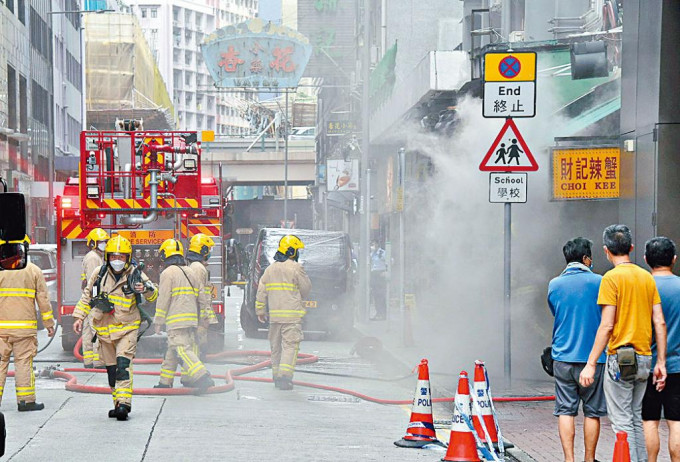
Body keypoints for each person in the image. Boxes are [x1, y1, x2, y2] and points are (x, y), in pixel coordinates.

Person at [580, 224, 668, 461]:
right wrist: (661, 361)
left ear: (606, 250)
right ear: (630, 247)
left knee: (621, 421)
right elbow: (659, 322)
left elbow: (607, 325)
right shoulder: (646, 278)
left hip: (620, 358)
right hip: (644, 358)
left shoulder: (610, 279)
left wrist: (590, 363)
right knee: (636, 417)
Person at [73, 235, 158, 421]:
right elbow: (88, 295)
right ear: (107, 257)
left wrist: (144, 289)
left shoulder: (135, 274)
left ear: (128, 258)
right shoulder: (99, 274)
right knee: (112, 372)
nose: (117, 261)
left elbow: (153, 294)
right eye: (113, 257)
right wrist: (79, 316)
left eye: (121, 257)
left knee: (122, 366)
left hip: (127, 328)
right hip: (104, 331)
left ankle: (124, 404)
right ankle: (117, 403)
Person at [548, 237, 606, 462]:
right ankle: (589, 459)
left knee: (565, 410)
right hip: (594, 358)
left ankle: (568, 459)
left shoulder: (554, 284)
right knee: (592, 412)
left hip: (562, 356)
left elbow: (556, 312)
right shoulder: (600, 281)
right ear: (585, 258)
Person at [0, 236, 55, 411]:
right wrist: (49, 324)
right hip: (24, 330)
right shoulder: (33, 270)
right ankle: (26, 401)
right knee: (23, 363)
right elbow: (43, 300)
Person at [153, 239, 214, 391]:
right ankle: (165, 382)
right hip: (191, 318)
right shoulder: (190, 271)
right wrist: (203, 317)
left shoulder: (167, 273)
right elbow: (201, 295)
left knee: (180, 348)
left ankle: (201, 375)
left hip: (176, 319)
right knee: (173, 349)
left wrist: (158, 320)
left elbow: (163, 298)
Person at [256, 235, 311, 390]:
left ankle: (276, 375)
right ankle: (284, 377)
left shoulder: (269, 270)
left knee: (276, 347)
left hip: (274, 317)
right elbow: (306, 289)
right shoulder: (296, 268)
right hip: (292, 317)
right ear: (292, 251)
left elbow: (261, 292)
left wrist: (260, 310)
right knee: (290, 346)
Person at [642, 237, 680, 461]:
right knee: (676, 421)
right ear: (674, 259)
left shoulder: (643, 287)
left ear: (646, 260)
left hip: (647, 365)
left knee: (649, 419)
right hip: (677, 366)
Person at [80, 228, 109, 369]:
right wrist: (98, 300)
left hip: (90, 298)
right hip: (94, 299)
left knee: (87, 330)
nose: (104, 244)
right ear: (93, 243)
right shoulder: (93, 258)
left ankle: (89, 360)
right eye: (101, 242)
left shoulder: (96, 256)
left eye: (105, 242)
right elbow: (94, 281)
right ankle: (98, 362)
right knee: (96, 329)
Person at [186, 234, 219, 356]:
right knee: (196, 344)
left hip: (197, 313)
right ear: (203, 250)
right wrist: (203, 317)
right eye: (208, 250)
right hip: (199, 314)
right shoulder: (198, 268)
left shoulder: (196, 266)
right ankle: (196, 369)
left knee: (196, 345)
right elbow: (199, 294)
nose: (209, 253)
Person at [370, 241, 388, 321]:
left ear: (377, 244)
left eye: (373, 244)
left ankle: (383, 314)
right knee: (375, 295)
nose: (372, 246)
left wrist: (386, 271)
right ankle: (378, 313)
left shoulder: (382, 253)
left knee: (381, 295)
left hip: (380, 274)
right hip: (374, 274)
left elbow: (390, 261)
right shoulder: (372, 253)